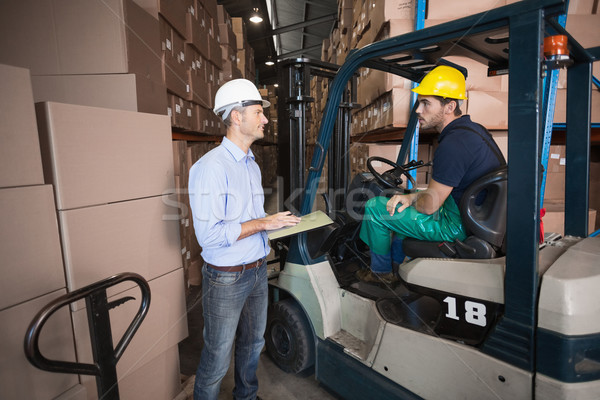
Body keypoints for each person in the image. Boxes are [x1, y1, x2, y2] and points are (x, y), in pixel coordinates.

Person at [188, 78, 301, 400]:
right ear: (236, 117)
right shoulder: (210, 168)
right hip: (227, 277)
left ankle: (246, 397)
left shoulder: (250, 164)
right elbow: (209, 236)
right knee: (218, 353)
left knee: (253, 344)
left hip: (256, 270)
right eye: (257, 112)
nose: (264, 119)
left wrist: (275, 224)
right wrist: (263, 221)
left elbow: (246, 219)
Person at [357, 65, 505, 284]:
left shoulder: (454, 144)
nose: (418, 109)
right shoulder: (473, 131)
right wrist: (412, 195)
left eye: (426, 103)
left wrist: (411, 198)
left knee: (376, 208)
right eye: (420, 102)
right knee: (405, 202)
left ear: (449, 106)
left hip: (457, 226)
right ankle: (398, 267)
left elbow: (428, 207)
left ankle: (381, 274)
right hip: (474, 215)